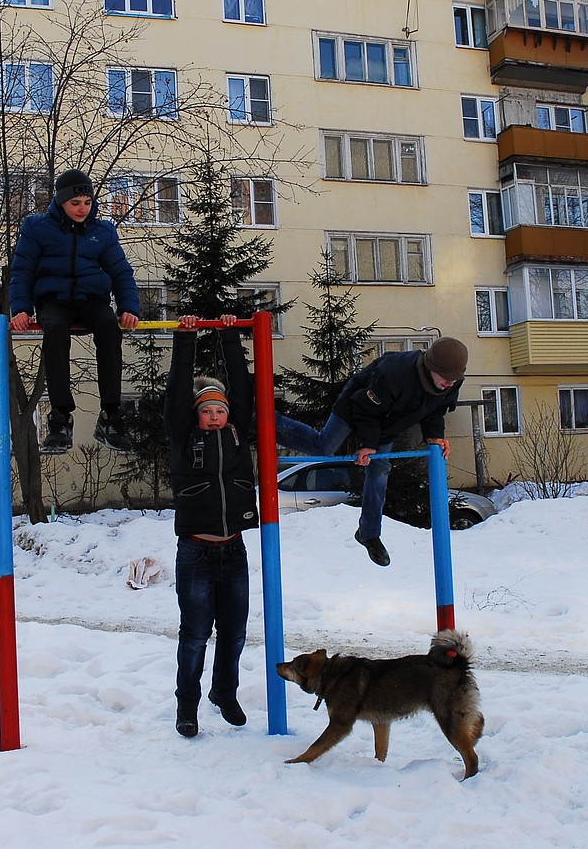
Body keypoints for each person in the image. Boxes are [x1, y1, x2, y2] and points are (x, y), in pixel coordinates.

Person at [275, 337, 468, 567]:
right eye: (445, 379)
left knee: (380, 471)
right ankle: (269, 423)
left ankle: (368, 533)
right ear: (430, 368)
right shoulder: (394, 373)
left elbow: (435, 410)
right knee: (324, 446)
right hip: (358, 406)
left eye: (453, 380)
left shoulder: (452, 381)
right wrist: (368, 443)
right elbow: (366, 410)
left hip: (389, 422)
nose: (449, 384)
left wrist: (434, 436)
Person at [165, 314, 259, 738]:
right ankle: (187, 706)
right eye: (208, 411)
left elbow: (240, 384)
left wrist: (229, 335)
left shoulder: (240, 431)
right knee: (196, 634)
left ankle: (225, 692)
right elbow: (175, 394)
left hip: (233, 549)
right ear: (197, 416)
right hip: (196, 552)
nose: (216, 416)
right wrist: (186, 339)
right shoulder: (183, 436)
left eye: (221, 409)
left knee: (235, 633)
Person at [9, 169, 140, 454]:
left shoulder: (102, 231)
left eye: (87, 202)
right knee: (55, 330)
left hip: (92, 300)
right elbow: (22, 271)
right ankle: (60, 417)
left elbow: (120, 272)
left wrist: (129, 307)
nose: (82, 209)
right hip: (54, 300)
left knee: (108, 326)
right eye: (76, 203)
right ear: (61, 201)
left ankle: (111, 414)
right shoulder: (37, 228)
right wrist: (20, 308)